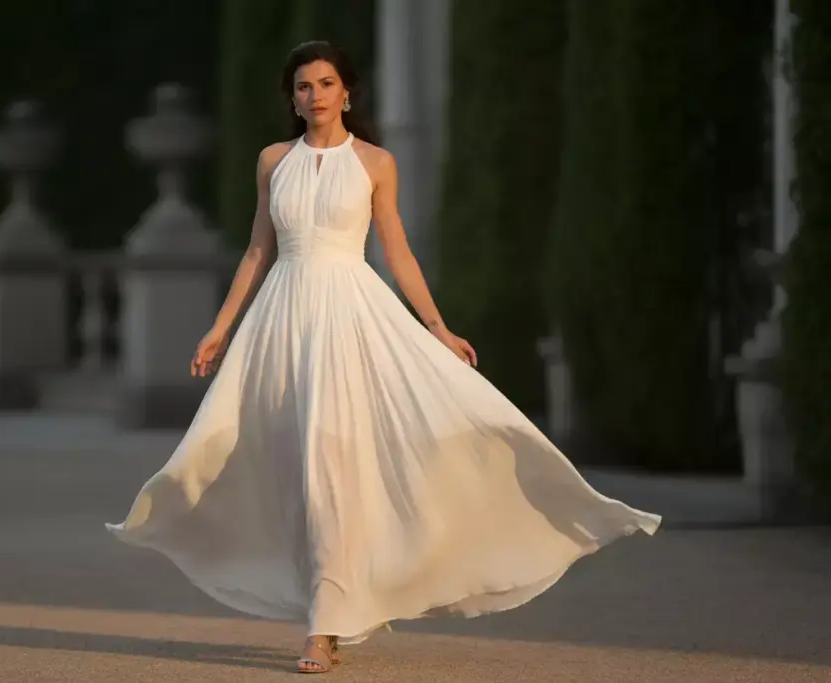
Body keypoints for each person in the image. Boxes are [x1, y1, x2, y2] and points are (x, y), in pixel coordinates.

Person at [106, 40, 661, 674]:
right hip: (282, 320)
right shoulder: (273, 161)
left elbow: (396, 251)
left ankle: (325, 625)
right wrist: (221, 326)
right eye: (303, 86)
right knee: (289, 464)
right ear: (293, 98)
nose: (315, 95)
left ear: (347, 92)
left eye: (326, 83)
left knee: (333, 464)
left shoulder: (375, 163)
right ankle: (336, 602)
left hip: (352, 318)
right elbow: (259, 249)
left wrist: (437, 327)